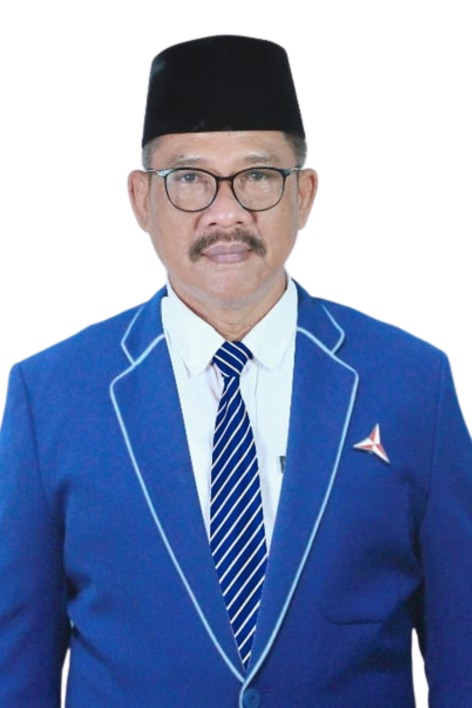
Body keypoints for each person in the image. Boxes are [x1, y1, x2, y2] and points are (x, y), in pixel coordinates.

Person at [0, 34, 471, 708]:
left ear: (303, 194)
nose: (226, 213)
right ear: (142, 199)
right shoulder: (52, 398)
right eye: (189, 178)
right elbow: (15, 674)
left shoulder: (411, 385)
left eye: (257, 176)